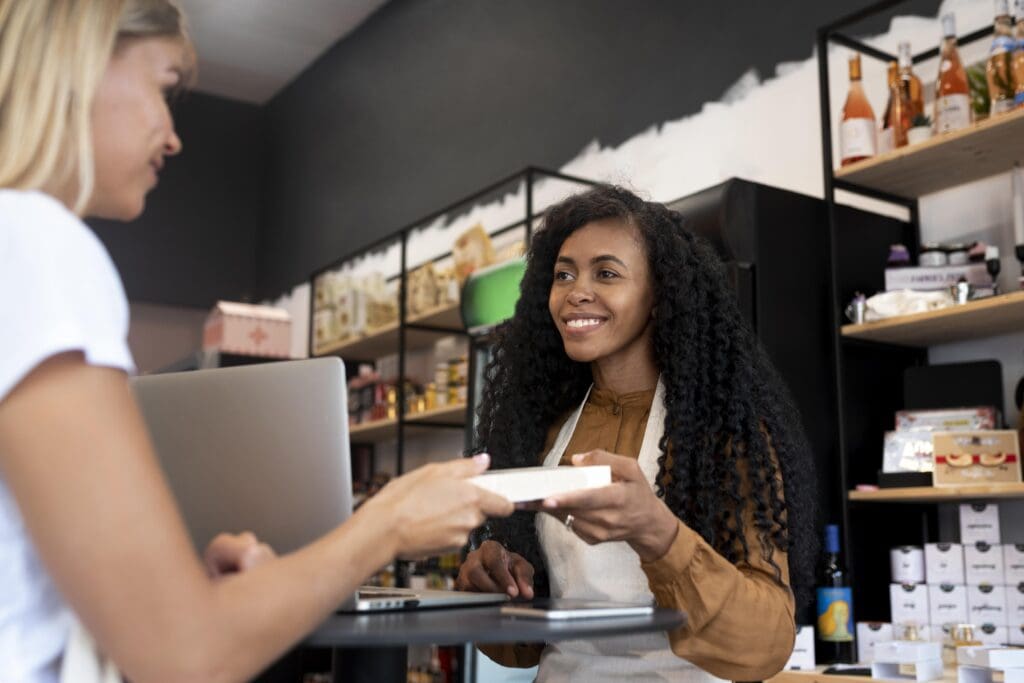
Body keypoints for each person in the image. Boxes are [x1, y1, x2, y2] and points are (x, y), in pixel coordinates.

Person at [0, 2, 512, 682]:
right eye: (163, 87)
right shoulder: (39, 243)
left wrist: (182, 587)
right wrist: (386, 524)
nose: (173, 137)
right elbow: (182, 656)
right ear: (81, 63)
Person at [455, 185, 817, 682]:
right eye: (564, 274)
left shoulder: (722, 432)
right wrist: (491, 590)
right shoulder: (546, 428)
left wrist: (658, 533)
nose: (576, 292)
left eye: (606, 273)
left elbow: (766, 645)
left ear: (659, 293)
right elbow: (521, 652)